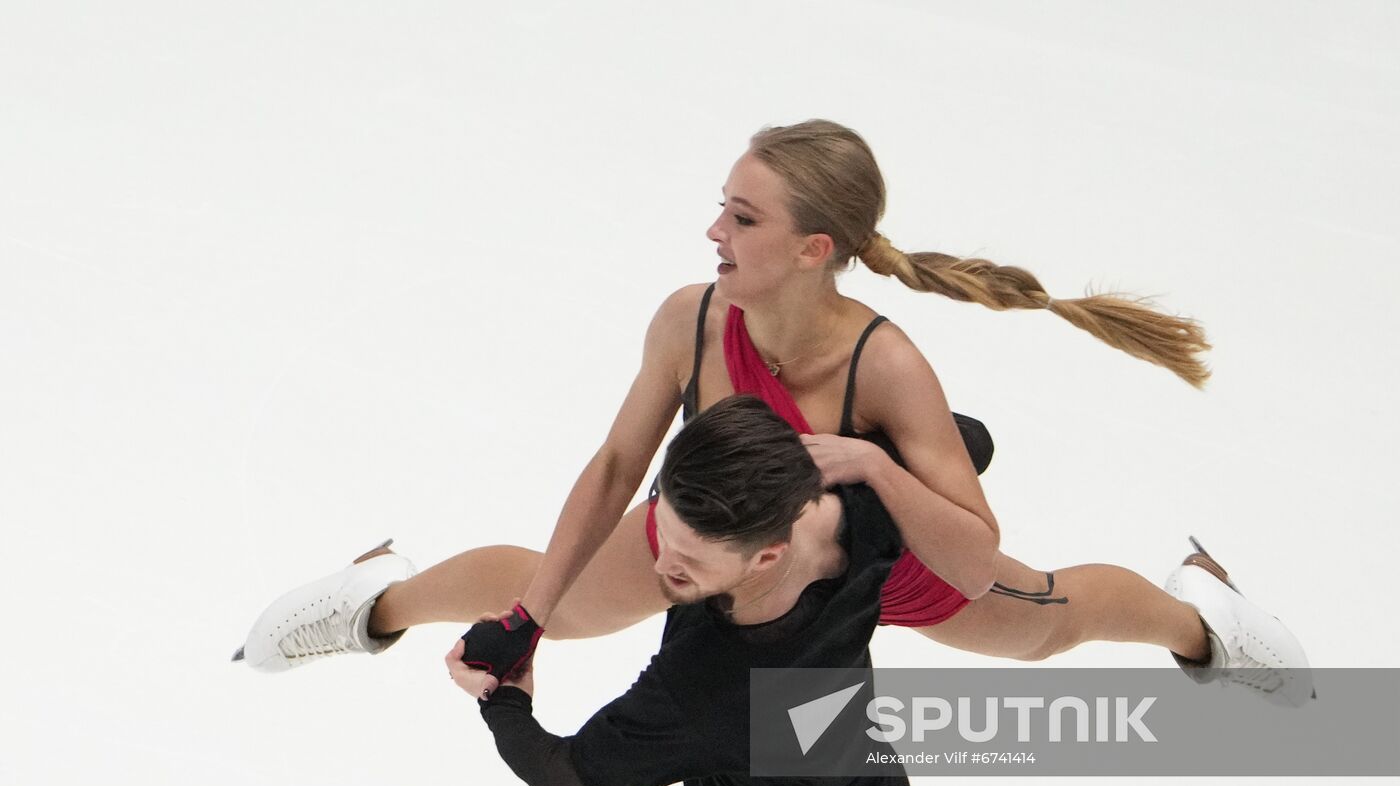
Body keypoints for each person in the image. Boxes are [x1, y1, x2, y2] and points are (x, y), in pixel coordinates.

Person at [234, 119, 1311, 705]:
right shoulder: (690, 320)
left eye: (740, 215)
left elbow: (978, 553)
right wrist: (523, 622)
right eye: (719, 203)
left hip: (872, 562)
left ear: (812, 248)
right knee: (550, 601)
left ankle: (1201, 615)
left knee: (1044, 630)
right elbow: (617, 468)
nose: (712, 228)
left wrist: (874, 470)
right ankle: (372, 596)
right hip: (714, 535)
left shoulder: (887, 367)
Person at [449, 395, 921, 786]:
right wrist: (872, 461)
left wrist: (501, 699)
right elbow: (972, 440)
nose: (661, 564)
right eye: (665, 532)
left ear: (766, 556)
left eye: (689, 560)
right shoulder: (861, 511)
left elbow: (563, 784)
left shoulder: (706, 684)